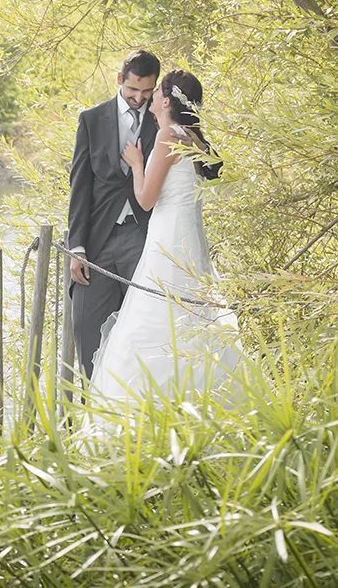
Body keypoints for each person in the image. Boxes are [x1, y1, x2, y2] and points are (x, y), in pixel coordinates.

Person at [87, 69, 241, 408]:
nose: (151, 97)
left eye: (156, 92)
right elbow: (212, 170)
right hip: (191, 239)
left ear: (166, 100)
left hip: (168, 237)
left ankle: (150, 405)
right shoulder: (191, 135)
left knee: (157, 310)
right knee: (192, 313)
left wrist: (138, 163)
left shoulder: (167, 136)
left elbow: (145, 199)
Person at [66, 49, 161, 381]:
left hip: (144, 234)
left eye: (147, 92)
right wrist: (76, 247)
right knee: (86, 324)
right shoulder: (91, 120)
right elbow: (80, 186)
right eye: (133, 89)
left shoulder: (160, 119)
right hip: (98, 239)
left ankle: (141, 404)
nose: (139, 98)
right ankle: (96, 407)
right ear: (120, 80)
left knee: (148, 324)